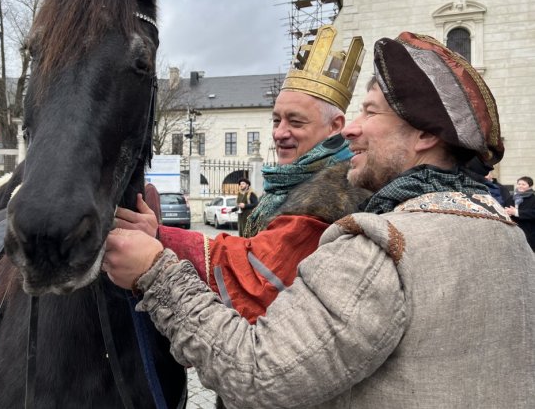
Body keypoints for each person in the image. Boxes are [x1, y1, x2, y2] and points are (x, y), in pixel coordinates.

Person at [104, 31, 535, 407]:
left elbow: (259, 371)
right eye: (275, 120)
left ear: (425, 135)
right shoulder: (508, 235)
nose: (352, 131)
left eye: (370, 113)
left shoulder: (382, 243)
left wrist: (156, 271)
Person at [116, 25, 369, 323]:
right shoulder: (296, 181)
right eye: (276, 120)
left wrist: (159, 243)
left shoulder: (334, 193)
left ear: (336, 125)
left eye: (295, 122)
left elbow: (256, 273)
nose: (279, 133)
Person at [505, 176, 535, 250]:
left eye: (523, 184)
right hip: (512, 229)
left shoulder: (533, 198)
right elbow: (504, 207)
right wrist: (506, 212)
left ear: (530, 186)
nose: (520, 186)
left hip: (528, 231)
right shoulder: (511, 197)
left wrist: (516, 212)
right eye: (519, 184)